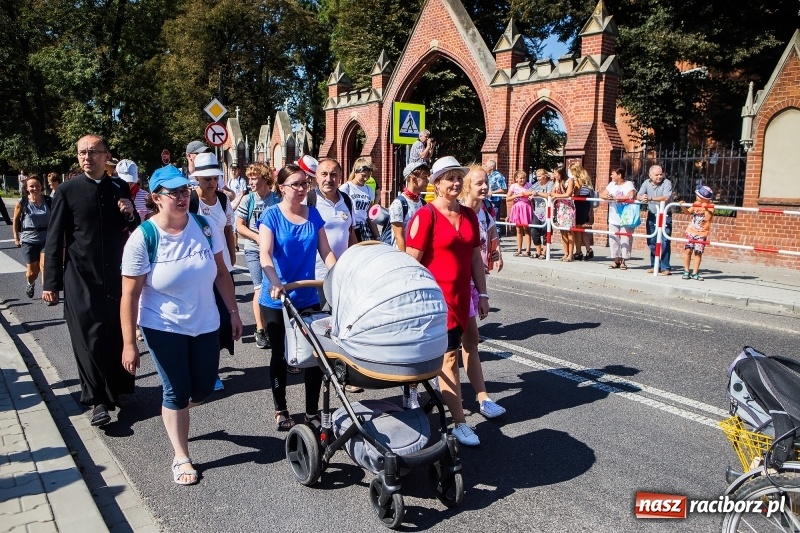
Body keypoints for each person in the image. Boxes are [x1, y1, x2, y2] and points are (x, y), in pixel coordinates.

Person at [120, 165, 242, 485]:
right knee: (175, 391)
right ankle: (181, 456)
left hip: (206, 322)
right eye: (172, 193)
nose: (181, 197)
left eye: (184, 191)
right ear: (156, 198)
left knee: (201, 389)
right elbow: (130, 295)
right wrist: (129, 343)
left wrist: (233, 312)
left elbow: (221, 273)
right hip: (163, 325)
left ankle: (177, 411)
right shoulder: (143, 238)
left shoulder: (204, 226)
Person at [42, 134, 139, 427]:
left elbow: (133, 227)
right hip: (80, 276)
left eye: (93, 152)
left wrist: (130, 213)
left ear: (106, 156)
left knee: (113, 332)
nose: (87, 157)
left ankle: (115, 389)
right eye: (82, 152)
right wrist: (51, 283)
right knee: (88, 337)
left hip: (114, 274)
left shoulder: (119, 187)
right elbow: (54, 238)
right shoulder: (67, 191)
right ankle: (97, 400)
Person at [405, 156, 490, 447]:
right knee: (449, 358)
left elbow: (475, 259)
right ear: (437, 183)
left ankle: (479, 398)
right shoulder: (425, 216)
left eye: (458, 177)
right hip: (436, 302)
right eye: (449, 178)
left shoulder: (468, 215)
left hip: (463, 297)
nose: (455, 183)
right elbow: (411, 264)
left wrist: (483, 294)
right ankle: (459, 423)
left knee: (469, 345)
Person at [258, 164, 336, 431]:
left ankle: (312, 412)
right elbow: (265, 253)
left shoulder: (313, 215)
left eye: (305, 183)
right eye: (296, 184)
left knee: (314, 355)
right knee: (281, 354)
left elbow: (326, 251)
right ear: (282, 188)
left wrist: (339, 275)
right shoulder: (271, 216)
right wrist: (275, 281)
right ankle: (280, 409)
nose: (302, 188)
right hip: (277, 298)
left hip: (306, 295)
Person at [458, 165, 506, 419]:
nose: (485, 187)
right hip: (455, 285)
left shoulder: (485, 213)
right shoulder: (458, 213)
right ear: (467, 186)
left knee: (469, 341)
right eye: (479, 183)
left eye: (486, 182)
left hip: (474, 284)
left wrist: (497, 253)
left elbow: (491, 236)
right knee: (456, 344)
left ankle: (481, 397)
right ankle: (463, 402)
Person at [190, 152, 237, 391]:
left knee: (222, 322)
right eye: (206, 178)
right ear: (197, 178)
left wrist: (232, 256)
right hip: (198, 272)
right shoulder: (190, 200)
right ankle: (204, 371)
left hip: (222, 269)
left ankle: (212, 367)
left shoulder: (223, 199)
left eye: (215, 178)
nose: (212, 182)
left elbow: (228, 228)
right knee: (202, 323)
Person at [236, 162, 279, 350]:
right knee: (259, 287)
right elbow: (239, 226)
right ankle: (260, 330)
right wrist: (257, 237)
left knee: (273, 286)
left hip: (273, 250)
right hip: (253, 249)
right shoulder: (248, 200)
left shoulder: (276, 199)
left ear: (265, 179)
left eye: (254, 178)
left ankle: (274, 326)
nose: (251, 182)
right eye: (249, 178)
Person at [310, 158, 356, 307]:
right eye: (324, 174)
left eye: (333, 174)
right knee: (313, 316)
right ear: (316, 177)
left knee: (338, 315)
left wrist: (354, 262)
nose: (329, 179)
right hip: (314, 275)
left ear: (340, 177)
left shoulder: (347, 201)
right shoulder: (308, 201)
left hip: (341, 274)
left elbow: (351, 234)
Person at [13, 175, 51, 298]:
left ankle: (47, 293)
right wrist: (16, 238)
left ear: (41, 186)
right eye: (32, 186)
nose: (35, 188)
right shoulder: (22, 202)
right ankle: (30, 283)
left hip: (46, 238)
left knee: (44, 266)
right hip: (28, 239)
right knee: (32, 272)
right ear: (27, 188)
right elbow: (15, 221)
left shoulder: (49, 201)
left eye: (37, 186)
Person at [637, 165, 673, 274]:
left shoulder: (666, 183)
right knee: (652, 241)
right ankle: (655, 265)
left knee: (665, 241)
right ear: (650, 175)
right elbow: (638, 195)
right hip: (652, 215)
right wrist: (642, 197)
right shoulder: (646, 183)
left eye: (660, 174)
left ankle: (665, 267)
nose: (659, 176)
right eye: (656, 175)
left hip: (665, 215)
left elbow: (666, 197)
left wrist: (651, 198)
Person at [388, 161, 430, 250]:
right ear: (413, 179)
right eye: (424, 177)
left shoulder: (423, 203)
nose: (427, 181)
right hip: (401, 254)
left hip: (418, 252)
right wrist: (406, 257)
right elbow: (399, 236)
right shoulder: (399, 203)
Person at [604, 167, 636, 270]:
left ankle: (623, 261)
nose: (611, 176)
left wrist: (617, 198)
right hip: (613, 217)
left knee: (625, 239)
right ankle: (616, 260)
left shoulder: (628, 184)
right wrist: (608, 196)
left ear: (619, 175)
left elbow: (631, 196)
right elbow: (603, 194)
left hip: (625, 217)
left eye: (613, 174)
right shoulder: (611, 184)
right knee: (613, 239)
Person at [340, 158, 379, 242]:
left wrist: (377, 236)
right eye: (363, 175)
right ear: (356, 172)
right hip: (350, 228)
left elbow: (369, 214)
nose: (366, 179)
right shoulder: (346, 188)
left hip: (364, 228)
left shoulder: (369, 190)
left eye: (368, 176)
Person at [682, 186, 714, 281]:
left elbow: (707, 218)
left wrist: (706, 208)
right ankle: (686, 271)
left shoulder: (711, 206)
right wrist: (683, 206)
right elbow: (688, 212)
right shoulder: (696, 204)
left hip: (701, 233)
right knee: (688, 250)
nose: (696, 196)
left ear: (704, 198)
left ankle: (695, 272)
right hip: (691, 231)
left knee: (698, 252)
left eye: (698, 195)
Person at [570, 163, 595, 261]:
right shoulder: (586, 179)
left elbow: (576, 193)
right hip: (585, 203)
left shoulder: (579, 180)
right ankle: (588, 249)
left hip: (579, 203)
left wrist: (574, 188)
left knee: (577, 229)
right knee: (581, 229)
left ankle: (578, 251)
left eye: (572, 171)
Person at [550, 167, 576, 261]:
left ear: (561, 173)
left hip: (568, 208)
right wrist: (555, 195)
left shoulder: (570, 180)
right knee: (562, 231)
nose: (554, 175)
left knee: (569, 231)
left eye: (556, 173)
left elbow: (567, 194)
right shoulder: (557, 182)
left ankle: (571, 254)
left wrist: (556, 195)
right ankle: (566, 253)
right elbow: (552, 192)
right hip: (560, 208)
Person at [507, 170, 532, 256]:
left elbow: (533, 193)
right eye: (520, 178)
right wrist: (517, 195)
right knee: (518, 229)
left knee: (527, 229)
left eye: (524, 178)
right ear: (516, 179)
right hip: (517, 208)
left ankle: (528, 250)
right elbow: (507, 198)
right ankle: (519, 249)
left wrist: (529, 194)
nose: (522, 180)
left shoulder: (528, 185)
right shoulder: (513, 186)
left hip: (526, 207)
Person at [529, 168, 553, 259]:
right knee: (534, 231)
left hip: (548, 211)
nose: (538, 178)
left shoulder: (550, 184)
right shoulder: (536, 184)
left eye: (539, 176)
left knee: (546, 232)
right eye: (537, 176)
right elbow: (528, 191)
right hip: (537, 212)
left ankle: (544, 252)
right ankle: (538, 251)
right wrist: (531, 194)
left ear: (545, 176)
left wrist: (537, 193)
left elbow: (549, 195)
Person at [228, 165, 249, 251]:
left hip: (239, 207)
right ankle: (234, 245)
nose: (233, 172)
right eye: (232, 170)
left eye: (235, 170)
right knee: (232, 226)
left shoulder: (241, 181)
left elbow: (242, 194)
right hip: (231, 206)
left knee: (238, 227)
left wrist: (236, 205)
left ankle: (237, 245)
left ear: (238, 170)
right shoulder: (229, 182)